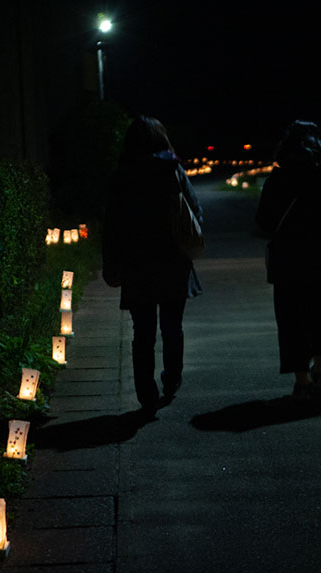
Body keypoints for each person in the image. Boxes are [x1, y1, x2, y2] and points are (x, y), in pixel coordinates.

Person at [102, 115, 203, 411]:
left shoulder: (123, 176)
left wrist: (111, 263)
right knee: (173, 327)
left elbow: (112, 225)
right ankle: (172, 378)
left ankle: (146, 392)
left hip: (137, 263)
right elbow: (194, 209)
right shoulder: (172, 170)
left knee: (142, 332)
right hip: (173, 259)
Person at [256, 120, 321, 399]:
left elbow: (262, 221)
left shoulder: (277, 178)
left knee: (290, 320)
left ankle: (301, 379)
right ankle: (319, 364)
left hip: (287, 261)